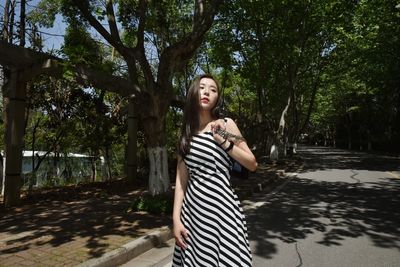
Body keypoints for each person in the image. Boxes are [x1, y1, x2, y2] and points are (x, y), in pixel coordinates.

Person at [172, 74, 257, 266]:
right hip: (193, 215)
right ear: (194, 92)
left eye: (213, 90)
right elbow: (181, 180)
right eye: (202, 87)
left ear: (217, 98)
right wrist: (176, 219)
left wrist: (224, 141)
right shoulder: (186, 132)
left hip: (222, 210)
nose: (207, 92)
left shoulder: (225, 125)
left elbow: (252, 163)